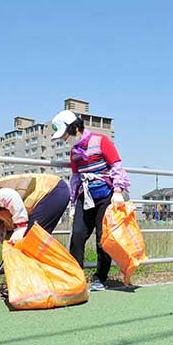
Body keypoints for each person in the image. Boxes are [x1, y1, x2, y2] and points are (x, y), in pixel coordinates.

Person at [51, 109, 131, 291]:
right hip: (84, 197)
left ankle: (100, 278)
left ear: (74, 128)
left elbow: (116, 166)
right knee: (77, 235)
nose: (64, 139)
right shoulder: (74, 152)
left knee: (103, 238)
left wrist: (118, 191)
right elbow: (75, 178)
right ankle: (75, 277)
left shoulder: (101, 141)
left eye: (64, 135)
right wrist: (73, 203)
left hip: (105, 197)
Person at [0, 173, 69, 244]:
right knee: (29, 244)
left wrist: (21, 226)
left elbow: (9, 195)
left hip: (50, 191)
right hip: (49, 195)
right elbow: (9, 216)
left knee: (31, 244)